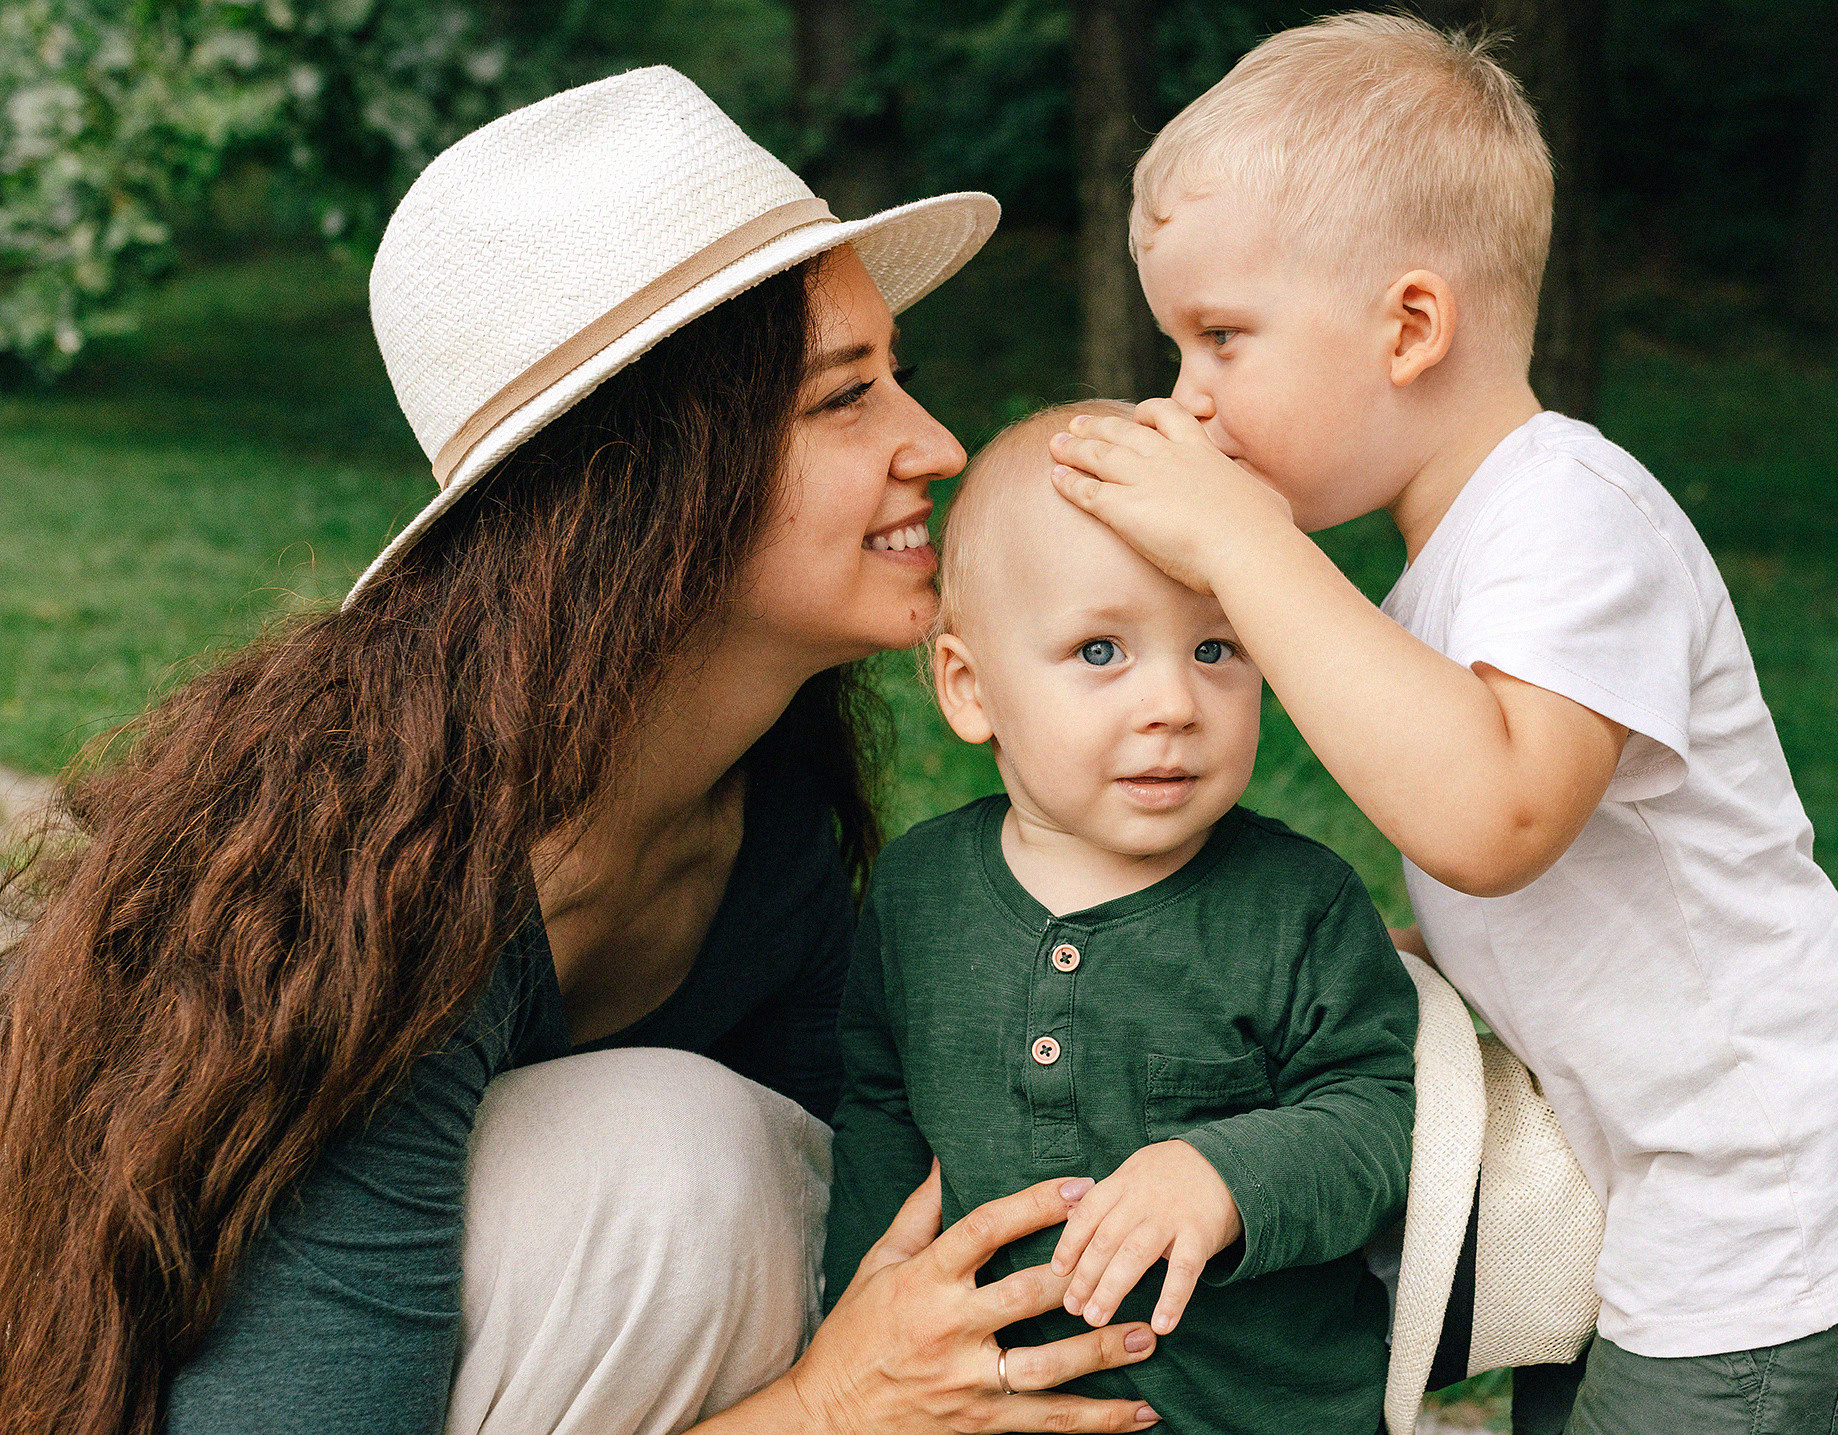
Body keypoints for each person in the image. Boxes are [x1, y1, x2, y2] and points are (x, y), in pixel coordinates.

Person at [0, 69, 1165, 1435]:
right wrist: (828, 1410)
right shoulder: (392, 891)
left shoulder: (760, 801)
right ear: (656, 482)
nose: (937, 443)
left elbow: (890, 1166)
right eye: (847, 397)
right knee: (680, 1165)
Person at [1043, 14, 1838, 1435]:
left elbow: (1496, 818)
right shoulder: (1453, 564)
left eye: (1222, 337)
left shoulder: (1569, 515)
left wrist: (1250, 546)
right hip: (1659, 1209)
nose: (1191, 394)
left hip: (1774, 1225)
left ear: (1411, 325)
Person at [823, 401, 1419, 1435]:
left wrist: (1223, 1174)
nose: (1172, 704)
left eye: (1216, 649)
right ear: (969, 690)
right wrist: (850, 1321)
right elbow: (878, 1112)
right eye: (1101, 651)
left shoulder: (1296, 903)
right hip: (986, 1406)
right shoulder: (920, 895)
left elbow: (1378, 1117)